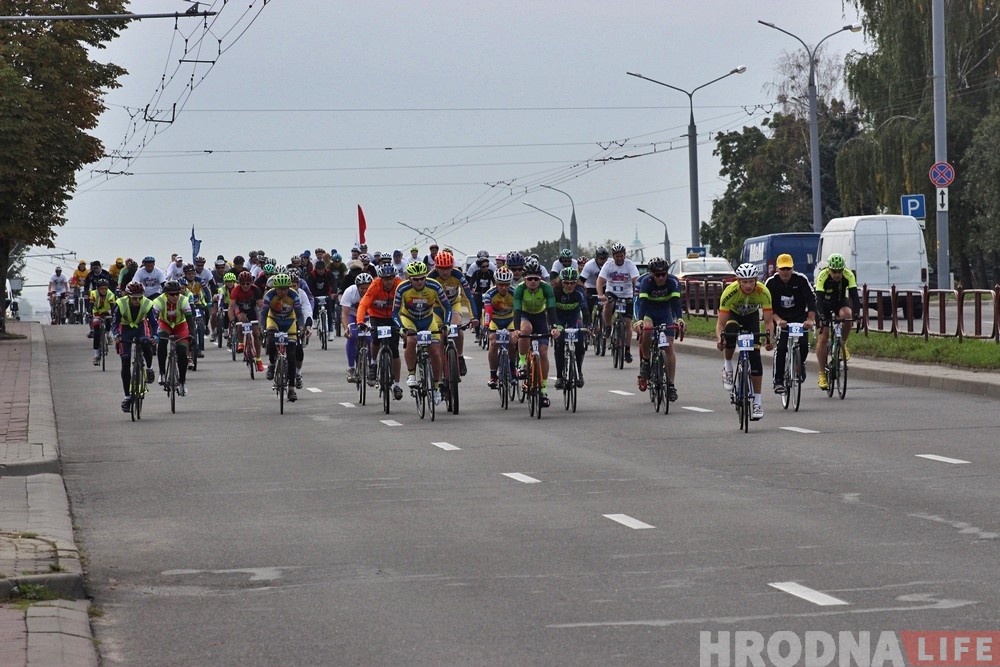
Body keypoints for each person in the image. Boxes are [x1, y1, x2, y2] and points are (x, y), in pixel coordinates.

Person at [715, 263, 774, 421]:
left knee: (755, 358)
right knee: (730, 332)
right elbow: (720, 324)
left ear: (756, 280)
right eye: (744, 282)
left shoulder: (763, 292)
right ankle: (728, 366)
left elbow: (768, 321)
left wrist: (770, 339)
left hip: (751, 318)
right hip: (733, 315)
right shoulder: (730, 292)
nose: (748, 285)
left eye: (751, 281)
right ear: (738, 281)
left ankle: (757, 403)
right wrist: (720, 338)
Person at [392, 261, 451, 405]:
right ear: (409, 278)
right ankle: (411, 374)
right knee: (411, 340)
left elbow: (447, 307)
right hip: (409, 319)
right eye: (416, 279)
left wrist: (447, 324)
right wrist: (401, 328)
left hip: (427, 320)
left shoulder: (434, 286)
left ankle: (436, 387)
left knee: (435, 352)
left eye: (422, 278)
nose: (419, 282)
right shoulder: (402, 288)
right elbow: (395, 312)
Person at [764, 253, 817, 394]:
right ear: (777, 269)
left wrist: (810, 319)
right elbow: (767, 306)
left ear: (792, 268)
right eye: (782, 269)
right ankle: (778, 381)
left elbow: (811, 299)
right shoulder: (771, 283)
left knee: (804, 344)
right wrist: (777, 320)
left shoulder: (801, 279)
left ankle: (800, 364)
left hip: (799, 318)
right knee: (781, 348)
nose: (785, 272)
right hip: (780, 318)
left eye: (788, 269)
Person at [634, 257, 685, 399]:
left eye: (664, 274)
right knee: (647, 328)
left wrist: (679, 319)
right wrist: (639, 321)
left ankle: (671, 385)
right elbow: (642, 304)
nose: (661, 277)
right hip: (648, 311)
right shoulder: (646, 282)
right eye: (657, 275)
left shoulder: (673, 281)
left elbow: (676, 303)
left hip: (664, 313)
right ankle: (646, 361)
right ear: (652, 274)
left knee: (669, 347)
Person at [356, 263, 405, 400]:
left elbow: (407, 303)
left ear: (395, 277)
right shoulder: (375, 286)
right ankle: (373, 363)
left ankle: (396, 385)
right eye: (385, 279)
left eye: (391, 278)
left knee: (394, 350)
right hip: (376, 316)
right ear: (381, 279)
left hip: (394, 317)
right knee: (376, 338)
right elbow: (363, 304)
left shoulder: (400, 285)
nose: (389, 281)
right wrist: (360, 322)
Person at [513, 257, 558, 407]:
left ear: (540, 279)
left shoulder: (546, 288)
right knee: (525, 330)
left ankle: (543, 390)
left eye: (536, 279)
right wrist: (516, 329)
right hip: (525, 315)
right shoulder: (519, 289)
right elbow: (517, 310)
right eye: (530, 279)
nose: (533, 282)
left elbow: (551, 309)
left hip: (540, 317)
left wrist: (554, 327)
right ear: (524, 279)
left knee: (543, 353)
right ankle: (522, 362)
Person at [814, 252, 860, 390]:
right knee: (823, 337)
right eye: (834, 271)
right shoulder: (822, 276)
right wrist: (821, 317)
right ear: (829, 269)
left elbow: (854, 296)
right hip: (824, 305)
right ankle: (822, 374)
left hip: (839, 302)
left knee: (847, 315)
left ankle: (843, 344)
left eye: (840, 271)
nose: (837, 274)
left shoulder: (848, 274)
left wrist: (857, 315)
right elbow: (818, 300)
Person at [428, 250, 479, 375]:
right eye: (441, 269)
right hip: (436, 307)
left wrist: (474, 317)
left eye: (448, 268)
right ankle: (440, 365)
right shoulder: (431, 277)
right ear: (436, 268)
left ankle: (460, 357)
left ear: (452, 267)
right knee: (440, 335)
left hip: (453, 304)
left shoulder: (458, 275)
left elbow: (468, 297)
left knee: (457, 328)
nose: (445, 272)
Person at [111, 282, 158, 412]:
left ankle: (149, 368)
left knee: (145, 342)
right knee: (125, 361)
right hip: (125, 328)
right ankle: (127, 397)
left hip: (140, 327)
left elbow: (154, 323)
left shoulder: (148, 303)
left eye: (139, 298)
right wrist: (116, 335)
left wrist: (155, 335)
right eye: (134, 298)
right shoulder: (120, 304)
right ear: (128, 296)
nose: (137, 301)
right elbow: (114, 323)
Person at [261, 273, 305, 403]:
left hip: (289, 322)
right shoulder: (269, 295)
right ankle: (272, 363)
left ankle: (291, 388)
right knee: (271, 339)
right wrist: (262, 328)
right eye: (280, 289)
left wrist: (301, 327)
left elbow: (299, 314)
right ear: (275, 288)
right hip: (273, 320)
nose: (283, 291)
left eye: (286, 288)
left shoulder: (293, 295)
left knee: (291, 355)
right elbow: (263, 313)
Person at [596, 242, 640, 363]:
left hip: (626, 294)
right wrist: (601, 295)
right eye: (617, 256)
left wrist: (638, 293)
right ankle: (608, 327)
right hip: (612, 292)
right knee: (608, 304)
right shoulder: (608, 265)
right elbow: (600, 281)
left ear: (625, 255)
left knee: (627, 323)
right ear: (613, 256)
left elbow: (636, 280)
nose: (619, 258)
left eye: (621, 256)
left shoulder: (630, 265)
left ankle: (627, 350)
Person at [151, 280, 195, 397]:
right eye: (172, 294)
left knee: (182, 352)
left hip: (180, 325)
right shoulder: (158, 301)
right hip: (165, 324)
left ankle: (182, 382)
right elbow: (153, 320)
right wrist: (152, 334)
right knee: (162, 341)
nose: (175, 296)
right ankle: (162, 373)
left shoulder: (184, 300)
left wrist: (192, 335)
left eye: (177, 293)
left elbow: (190, 320)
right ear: (166, 294)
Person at [552, 266, 588, 389]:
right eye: (566, 283)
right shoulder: (555, 291)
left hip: (574, 318)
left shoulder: (579, 291)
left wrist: (588, 326)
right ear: (561, 282)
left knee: (580, 343)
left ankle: (579, 371)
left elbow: (585, 310)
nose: (569, 286)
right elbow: (550, 310)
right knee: (560, 344)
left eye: (572, 283)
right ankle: (559, 377)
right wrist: (553, 327)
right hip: (559, 318)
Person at [483, 267, 516, 389]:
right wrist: (486, 325)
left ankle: (512, 369)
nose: (504, 287)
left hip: (509, 319)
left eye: (506, 284)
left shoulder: (514, 292)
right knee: (493, 342)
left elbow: (519, 310)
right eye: (501, 284)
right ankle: (493, 375)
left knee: (513, 341)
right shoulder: (489, 294)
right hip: (495, 320)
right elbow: (488, 311)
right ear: (496, 283)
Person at [227, 270, 265, 373]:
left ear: (251, 283)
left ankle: (258, 359)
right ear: (239, 283)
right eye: (242, 283)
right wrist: (232, 320)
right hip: (240, 308)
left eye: (247, 283)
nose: (245, 286)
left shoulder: (255, 290)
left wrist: (263, 321)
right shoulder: (235, 290)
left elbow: (261, 306)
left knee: (256, 333)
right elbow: (231, 307)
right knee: (241, 319)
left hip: (252, 309)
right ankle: (241, 343)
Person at [342, 273, 373, 384]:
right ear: (357, 287)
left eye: (367, 288)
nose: (364, 291)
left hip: (369, 316)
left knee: (370, 339)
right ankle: (351, 368)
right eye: (362, 288)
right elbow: (344, 314)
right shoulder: (349, 292)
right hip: (353, 316)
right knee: (352, 336)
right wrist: (346, 328)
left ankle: (371, 366)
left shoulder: (374, 291)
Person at [580, 246, 609, 328]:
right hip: (591, 287)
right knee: (588, 308)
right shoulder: (589, 265)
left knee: (609, 305)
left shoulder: (610, 263)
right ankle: (587, 325)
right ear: (597, 258)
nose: (604, 261)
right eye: (601, 259)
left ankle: (606, 324)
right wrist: (583, 291)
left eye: (605, 258)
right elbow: (580, 281)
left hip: (604, 287)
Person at [88, 279, 116, 365]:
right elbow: (90, 305)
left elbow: (113, 307)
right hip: (97, 313)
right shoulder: (93, 293)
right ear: (97, 289)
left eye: (105, 288)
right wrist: (90, 313)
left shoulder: (111, 295)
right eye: (101, 289)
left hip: (107, 312)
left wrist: (114, 315)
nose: (104, 290)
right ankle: (96, 355)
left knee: (108, 322)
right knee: (96, 333)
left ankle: (108, 334)